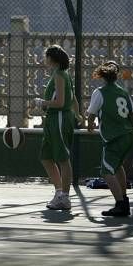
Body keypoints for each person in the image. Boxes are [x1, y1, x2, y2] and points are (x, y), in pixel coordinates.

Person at [34, 45, 82, 211]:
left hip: (60, 118)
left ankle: (66, 197)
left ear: (52, 59)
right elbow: (73, 97)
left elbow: (61, 102)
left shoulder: (60, 75)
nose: (44, 59)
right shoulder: (59, 74)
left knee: (63, 158)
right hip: (53, 119)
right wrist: (78, 114)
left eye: (46, 56)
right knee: (46, 157)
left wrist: (42, 102)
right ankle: (59, 192)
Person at [86, 61, 133, 216]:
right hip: (129, 135)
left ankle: (120, 204)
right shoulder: (123, 92)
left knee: (106, 171)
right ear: (116, 76)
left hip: (114, 138)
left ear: (102, 75)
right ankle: (125, 201)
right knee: (118, 166)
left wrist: (90, 126)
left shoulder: (99, 92)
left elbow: (91, 114)